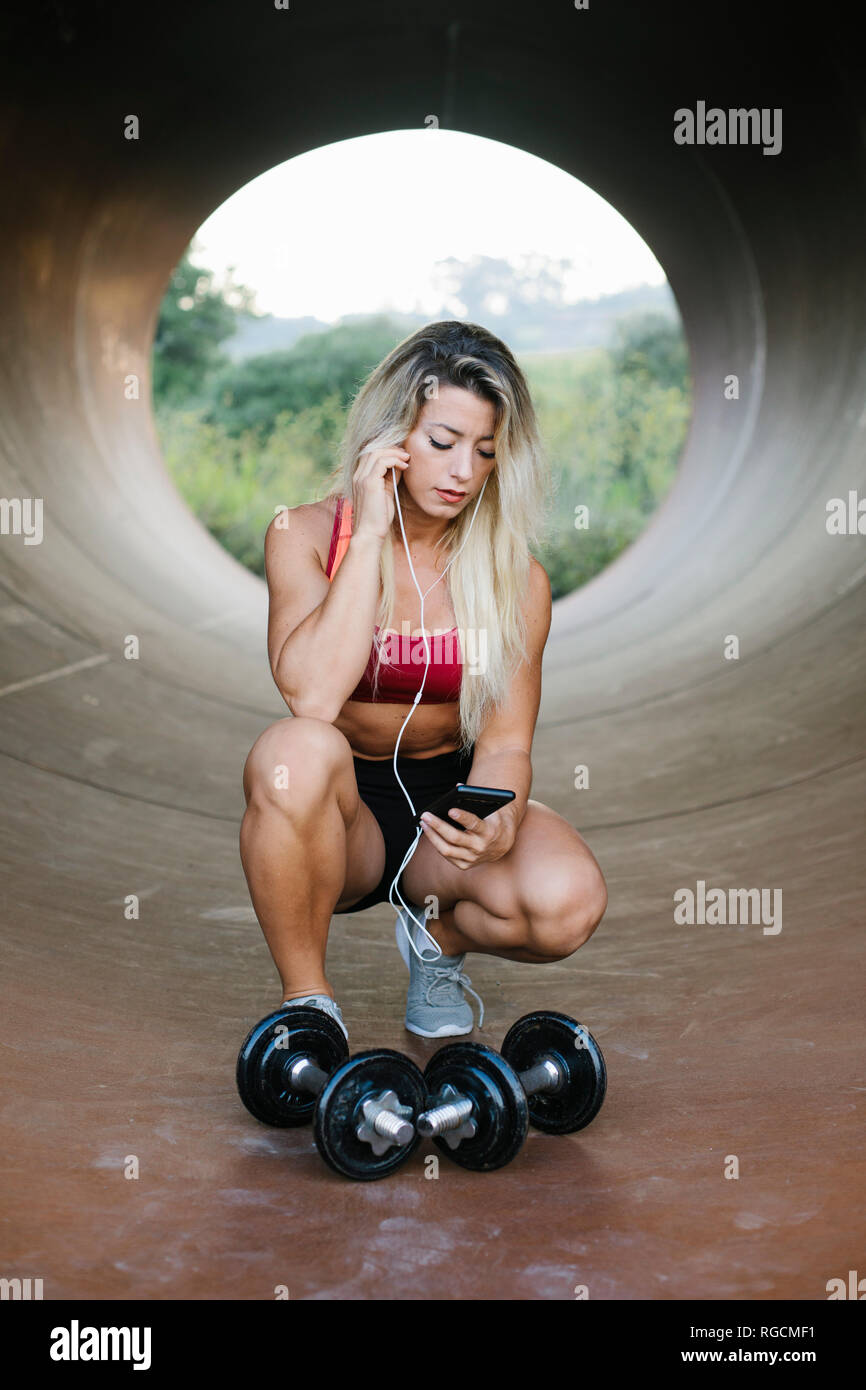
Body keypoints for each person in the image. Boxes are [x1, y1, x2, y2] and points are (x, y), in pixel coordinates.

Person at [239, 320, 608, 1043]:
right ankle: (308, 1004)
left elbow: (505, 744)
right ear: (390, 435)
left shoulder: (517, 578)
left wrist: (500, 821)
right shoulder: (306, 535)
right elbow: (312, 697)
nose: (463, 471)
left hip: (447, 817)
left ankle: (436, 947)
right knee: (292, 753)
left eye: (485, 451)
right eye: (442, 442)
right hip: (345, 822)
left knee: (566, 903)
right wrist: (370, 537)